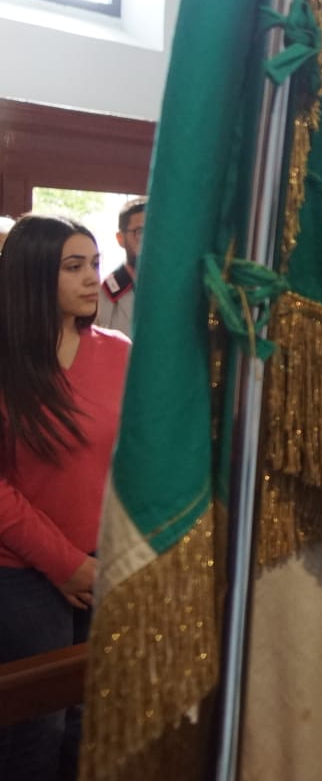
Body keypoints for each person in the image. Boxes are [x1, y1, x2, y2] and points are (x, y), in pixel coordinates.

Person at [0, 215, 130, 779]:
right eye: (73, 266)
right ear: (31, 275)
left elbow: (139, 457)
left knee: (93, 722)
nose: (90, 279)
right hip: (23, 572)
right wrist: (65, 564)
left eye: (95, 264)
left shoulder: (118, 350)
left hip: (107, 563)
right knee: (35, 728)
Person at [95, 197, 144, 337]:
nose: (149, 241)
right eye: (140, 232)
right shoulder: (100, 295)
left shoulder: (175, 292)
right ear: (120, 238)